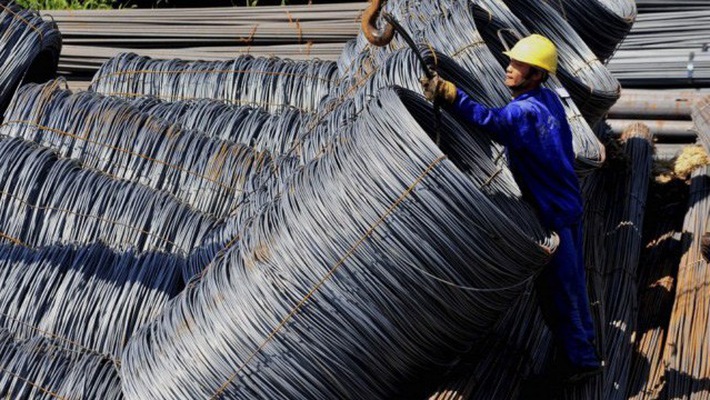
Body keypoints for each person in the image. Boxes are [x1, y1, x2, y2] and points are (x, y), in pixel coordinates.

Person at [420, 34, 602, 383]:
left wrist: (452, 95)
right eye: (511, 61)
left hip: (552, 210)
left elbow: (492, 123)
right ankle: (584, 348)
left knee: (559, 292)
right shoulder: (548, 100)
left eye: (518, 64)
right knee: (572, 283)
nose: (509, 68)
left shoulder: (523, 111)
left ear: (536, 74)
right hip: (567, 202)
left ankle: (582, 362)